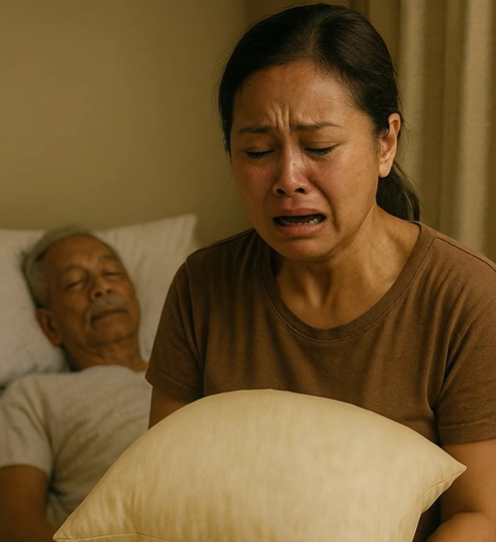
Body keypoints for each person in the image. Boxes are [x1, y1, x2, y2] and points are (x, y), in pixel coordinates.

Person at [145, 4, 496, 541]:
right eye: (257, 150)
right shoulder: (202, 286)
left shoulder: (468, 299)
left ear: (385, 143)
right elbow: (163, 490)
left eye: (320, 148)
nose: (288, 178)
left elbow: (479, 515)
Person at [0, 226, 151, 542]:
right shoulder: (34, 396)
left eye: (111, 273)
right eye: (74, 283)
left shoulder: (201, 368)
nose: (101, 288)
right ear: (50, 325)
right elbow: (14, 525)